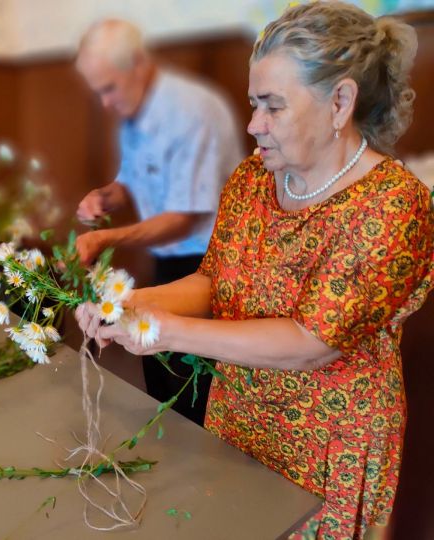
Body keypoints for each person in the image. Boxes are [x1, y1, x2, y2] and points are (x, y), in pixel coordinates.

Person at [76, 2, 434, 538]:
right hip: (239, 418)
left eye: (272, 106)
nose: (253, 125)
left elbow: (313, 340)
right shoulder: (252, 179)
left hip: (330, 442)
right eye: (252, 104)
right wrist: (134, 307)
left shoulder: (393, 205)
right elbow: (213, 280)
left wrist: (164, 332)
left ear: (340, 102)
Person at [74, 19, 243, 424]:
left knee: (195, 389)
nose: (104, 102)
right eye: (97, 91)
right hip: (169, 262)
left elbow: (185, 218)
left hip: (212, 265)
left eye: (108, 87)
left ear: (137, 63)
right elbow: (132, 178)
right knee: (157, 368)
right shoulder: (134, 113)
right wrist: (105, 197)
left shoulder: (191, 111)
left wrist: (106, 239)